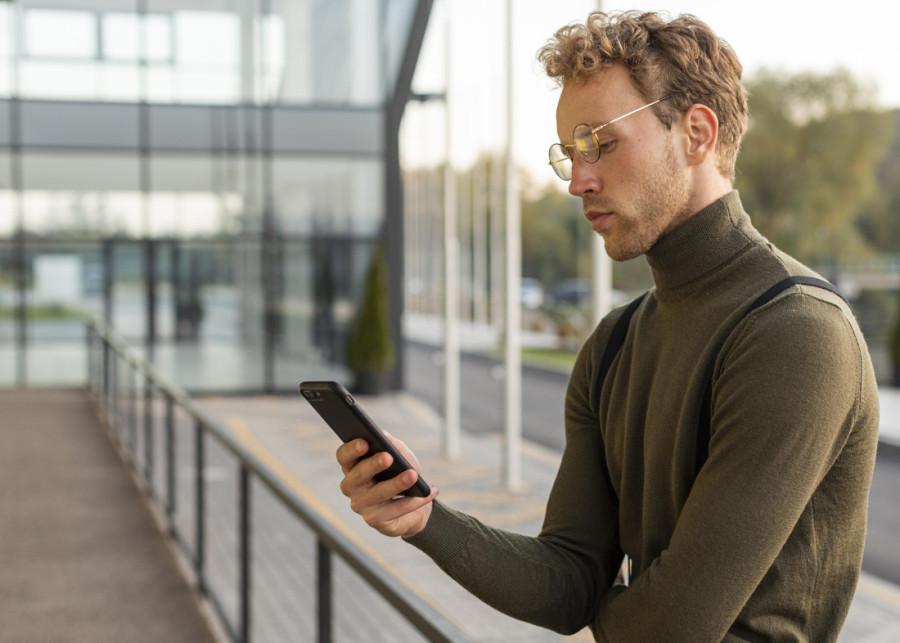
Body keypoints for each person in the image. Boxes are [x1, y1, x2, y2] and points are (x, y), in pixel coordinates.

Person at [335, 11, 879, 641]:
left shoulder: (796, 331)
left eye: (601, 143)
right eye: (570, 153)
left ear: (696, 134)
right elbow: (569, 580)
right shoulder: (614, 342)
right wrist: (424, 519)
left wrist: (603, 610)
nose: (578, 180)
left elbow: (671, 628)